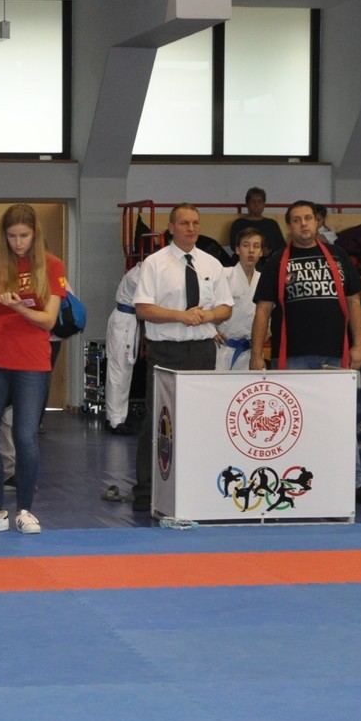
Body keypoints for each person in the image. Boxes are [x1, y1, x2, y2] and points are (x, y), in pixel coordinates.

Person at [252, 200, 361, 506]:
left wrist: (358, 344)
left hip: (335, 354)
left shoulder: (337, 255)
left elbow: (354, 301)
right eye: (296, 220)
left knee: (342, 422)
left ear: (317, 221)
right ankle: (289, 484)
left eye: (308, 218)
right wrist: (256, 355)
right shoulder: (277, 261)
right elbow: (263, 310)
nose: (303, 224)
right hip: (292, 356)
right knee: (291, 425)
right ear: (289, 225)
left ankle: (355, 483)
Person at [0, 203, 67, 536]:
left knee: (25, 436)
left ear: (35, 234)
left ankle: (25, 510)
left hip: (31, 361)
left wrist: (19, 307)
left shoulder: (52, 265)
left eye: (24, 235)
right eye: (12, 236)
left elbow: (48, 320)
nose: (18, 242)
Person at [131, 204, 233, 512]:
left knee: (201, 419)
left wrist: (206, 316)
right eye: (185, 223)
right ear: (171, 227)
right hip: (166, 350)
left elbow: (226, 308)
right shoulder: (155, 263)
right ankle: (146, 490)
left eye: (195, 223)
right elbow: (143, 308)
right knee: (158, 420)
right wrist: (181, 316)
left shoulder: (212, 263)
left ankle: (198, 485)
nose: (191, 228)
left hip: (202, 350)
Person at [217, 226, 264, 371]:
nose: (251, 250)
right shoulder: (224, 275)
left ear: (261, 252)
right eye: (246, 245)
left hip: (251, 352)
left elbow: (267, 316)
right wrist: (210, 331)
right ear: (237, 250)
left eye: (256, 246)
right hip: (223, 350)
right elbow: (206, 305)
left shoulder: (264, 281)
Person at [104, 261, 140, 434]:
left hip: (127, 320)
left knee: (122, 371)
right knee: (119, 371)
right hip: (124, 321)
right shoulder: (138, 276)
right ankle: (115, 420)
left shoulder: (138, 271)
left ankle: (116, 417)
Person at [226, 187, 287, 261]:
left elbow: (282, 246)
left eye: (259, 201)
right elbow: (234, 245)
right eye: (253, 201)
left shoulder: (271, 224)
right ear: (247, 204)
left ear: (264, 204)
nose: (256, 204)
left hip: (267, 261)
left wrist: (269, 251)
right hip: (244, 260)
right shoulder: (239, 224)